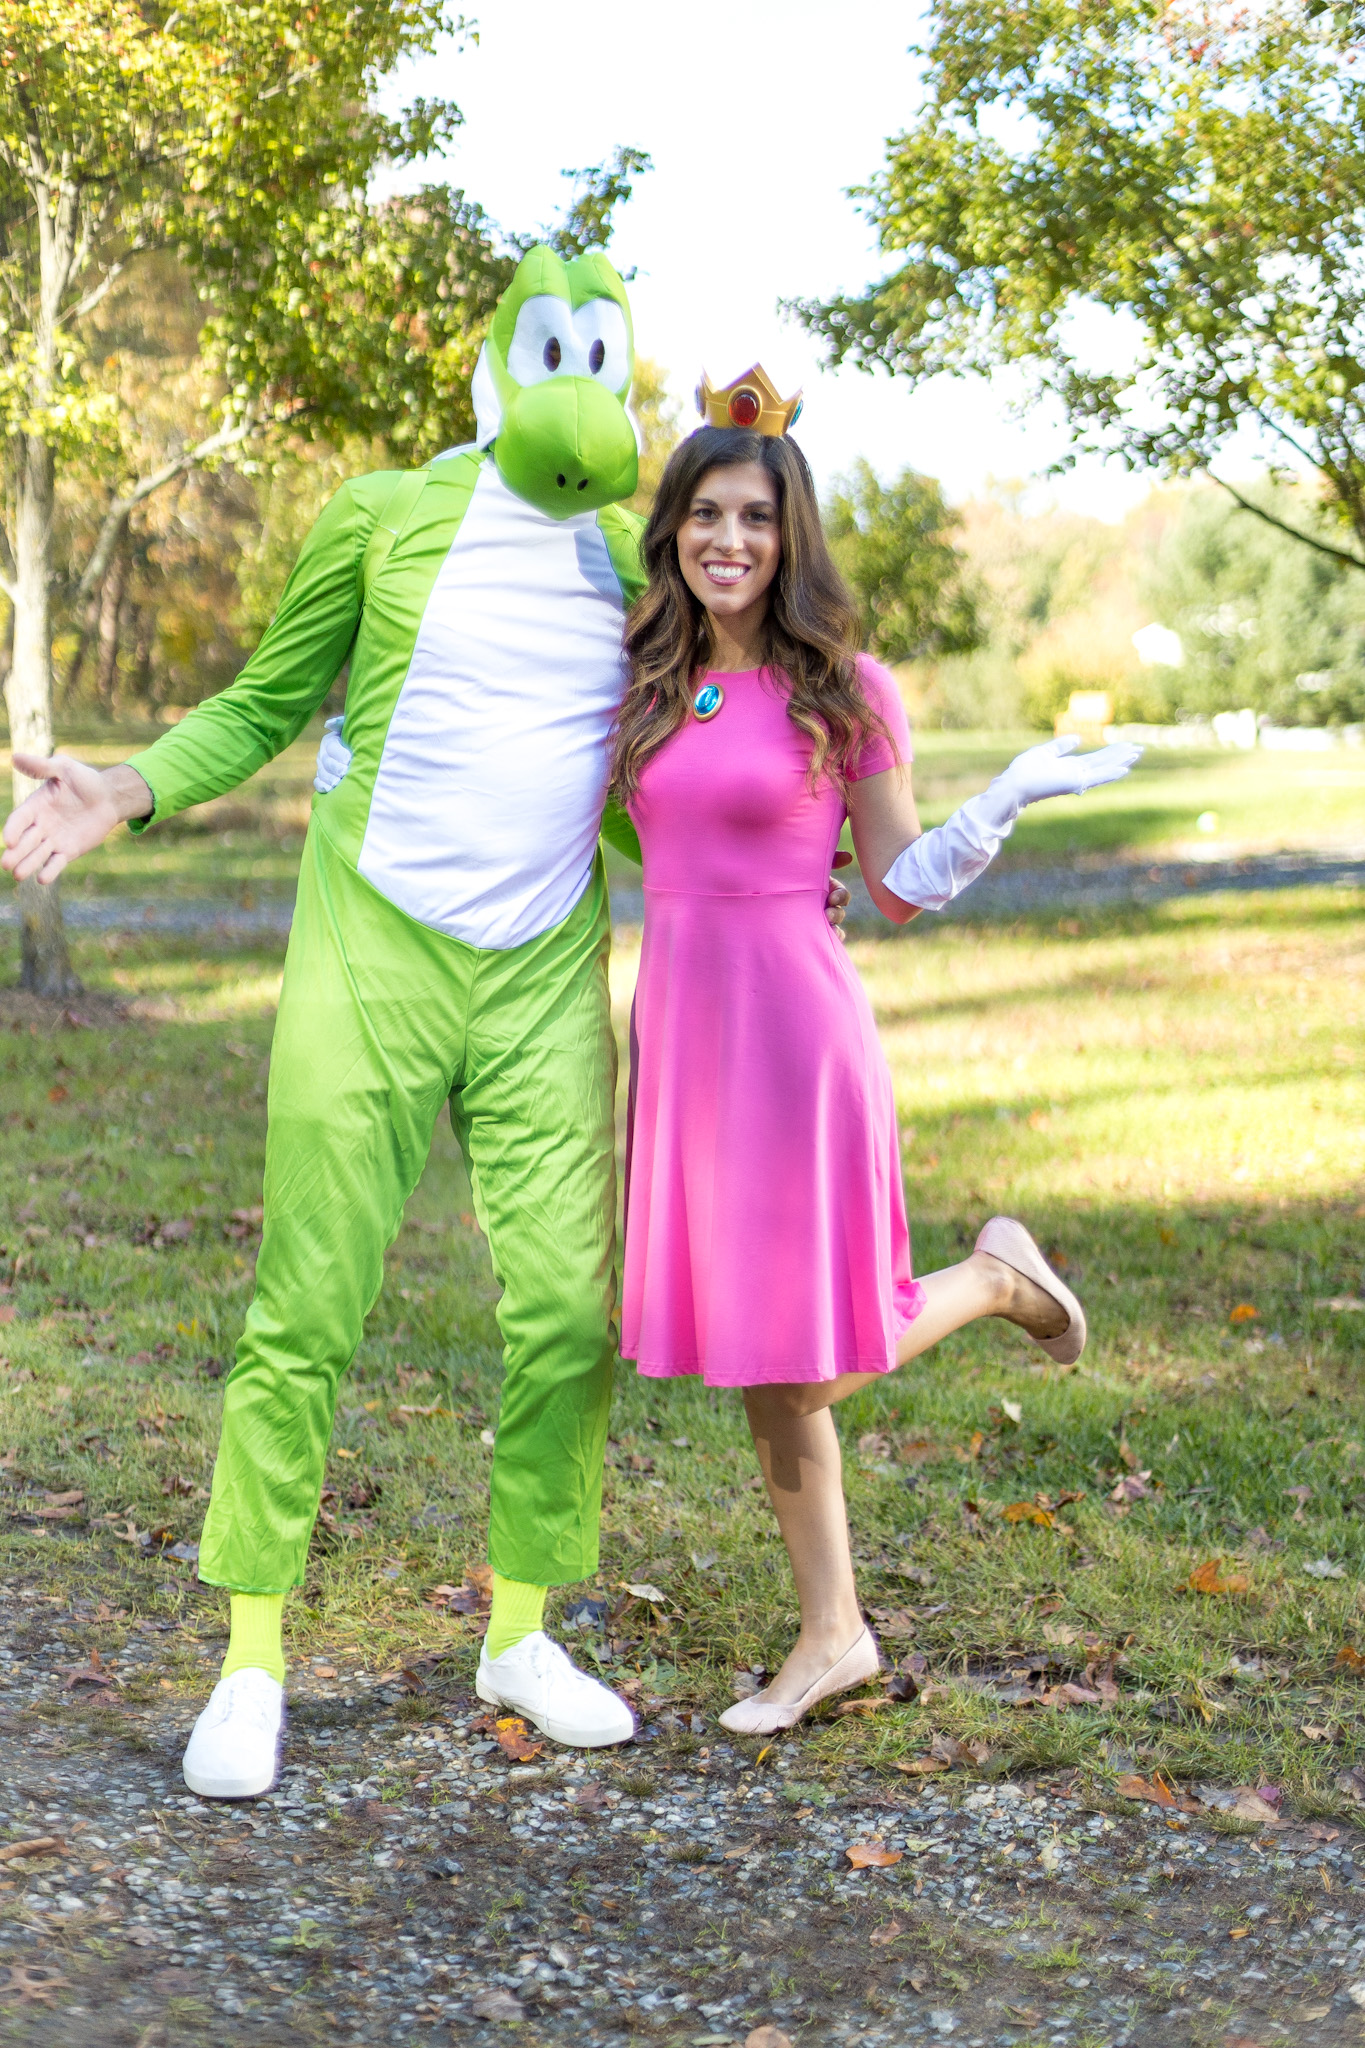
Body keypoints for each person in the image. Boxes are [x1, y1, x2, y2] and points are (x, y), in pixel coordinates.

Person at [1, 246, 659, 1795]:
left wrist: (787, 866)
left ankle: (518, 1626)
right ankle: (248, 1659)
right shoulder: (381, 515)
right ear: (498, 368)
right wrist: (130, 785)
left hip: (544, 977)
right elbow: (265, 700)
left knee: (571, 1313)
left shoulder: (624, 559)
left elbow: (634, 788)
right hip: (371, 954)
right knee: (305, 1313)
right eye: (549, 354)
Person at [612, 371, 1140, 1735]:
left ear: (791, 537)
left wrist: (1003, 802)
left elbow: (894, 883)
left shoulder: (844, 687)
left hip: (793, 1033)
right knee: (758, 1359)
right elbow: (634, 835)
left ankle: (979, 1284)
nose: (728, 541)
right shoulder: (649, 676)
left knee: (790, 1354)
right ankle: (834, 1633)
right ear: (670, 528)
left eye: (755, 518)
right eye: (704, 515)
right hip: (680, 1027)